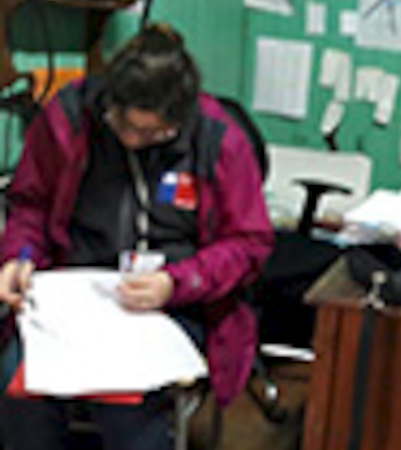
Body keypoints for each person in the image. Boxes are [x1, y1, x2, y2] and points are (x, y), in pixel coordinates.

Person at [0, 24, 273, 450]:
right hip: (73, 298)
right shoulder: (70, 117)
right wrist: (20, 255)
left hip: (175, 303)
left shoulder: (218, 139)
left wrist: (177, 282)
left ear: (179, 120)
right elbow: (30, 204)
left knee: (126, 406)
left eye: (149, 134)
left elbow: (249, 243)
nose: (131, 140)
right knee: (20, 384)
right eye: (123, 125)